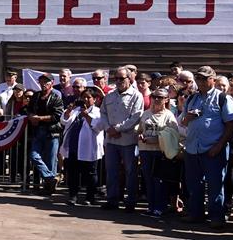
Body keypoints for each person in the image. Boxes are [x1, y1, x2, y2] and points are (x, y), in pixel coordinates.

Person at [179, 66, 233, 228]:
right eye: (198, 78)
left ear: (213, 79)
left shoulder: (223, 98)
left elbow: (231, 123)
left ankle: (216, 216)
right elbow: (183, 122)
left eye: (205, 78)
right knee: (193, 184)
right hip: (192, 148)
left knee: (215, 185)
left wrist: (219, 145)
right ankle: (195, 213)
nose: (201, 82)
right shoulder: (192, 98)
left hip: (213, 149)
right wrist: (188, 117)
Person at [94, 66, 143, 212]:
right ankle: (112, 200)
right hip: (111, 140)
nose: (119, 81)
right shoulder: (109, 96)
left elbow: (136, 116)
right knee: (112, 171)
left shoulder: (136, 95)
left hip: (128, 140)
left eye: (122, 78)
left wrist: (118, 128)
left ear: (129, 79)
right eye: (116, 78)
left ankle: (130, 202)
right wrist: (108, 127)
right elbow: (102, 113)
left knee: (130, 172)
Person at [137, 88, 178, 217]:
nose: (156, 99)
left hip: (160, 152)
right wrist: (139, 135)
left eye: (160, 97)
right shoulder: (145, 114)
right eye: (154, 96)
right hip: (145, 150)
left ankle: (160, 207)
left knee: (159, 181)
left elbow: (173, 135)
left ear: (166, 99)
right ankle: (151, 206)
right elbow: (140, 129)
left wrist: (155, 140)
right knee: (148, 179)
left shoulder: (169, 115)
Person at [60, 88, 103, 206]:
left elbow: (98, 126)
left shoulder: (98, 111)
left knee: (90, 173)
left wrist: (86, 115)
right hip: (73, 146)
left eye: (88, 97)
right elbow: (64, 121)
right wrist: (68, 111)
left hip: (88, 147)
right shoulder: (76, 110)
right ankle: (73, 196)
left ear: (94, 99)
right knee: (73, 172)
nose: (85, 99)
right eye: (83, 97)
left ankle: (90, 197)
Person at [26, 73, 65, 194]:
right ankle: (50, 178)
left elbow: (57, 116)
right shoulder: (36, 96)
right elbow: (29, 110)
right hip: (38, 131)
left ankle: (49, 189)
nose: (43, 84)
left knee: (51, 160)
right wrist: (32, 117)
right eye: (41, 81)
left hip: (52, 132)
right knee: (33, 155)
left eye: (46, 82)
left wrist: (40, 118)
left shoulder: (56, 97)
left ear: (52, 83)